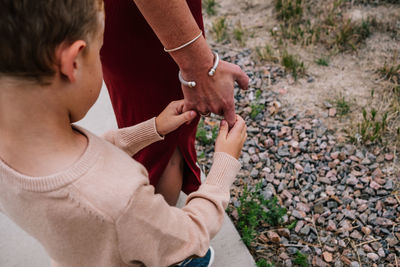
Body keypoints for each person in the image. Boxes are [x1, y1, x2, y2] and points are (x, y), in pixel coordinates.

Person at [0, 1, 247, 266]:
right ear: (73, 63)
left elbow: (90, 158)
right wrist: (223, 164)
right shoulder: (122, 200)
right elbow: (190, 235)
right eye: (98, 53)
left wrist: (153, 128)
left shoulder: (17, 147)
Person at [101, 0, 249, 206]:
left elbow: (99, 149)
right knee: (162, 155)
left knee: (152, 130)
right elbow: (195, 230)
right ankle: (153, 229)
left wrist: (155, 127)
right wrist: (199, 64)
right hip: (150, 14)